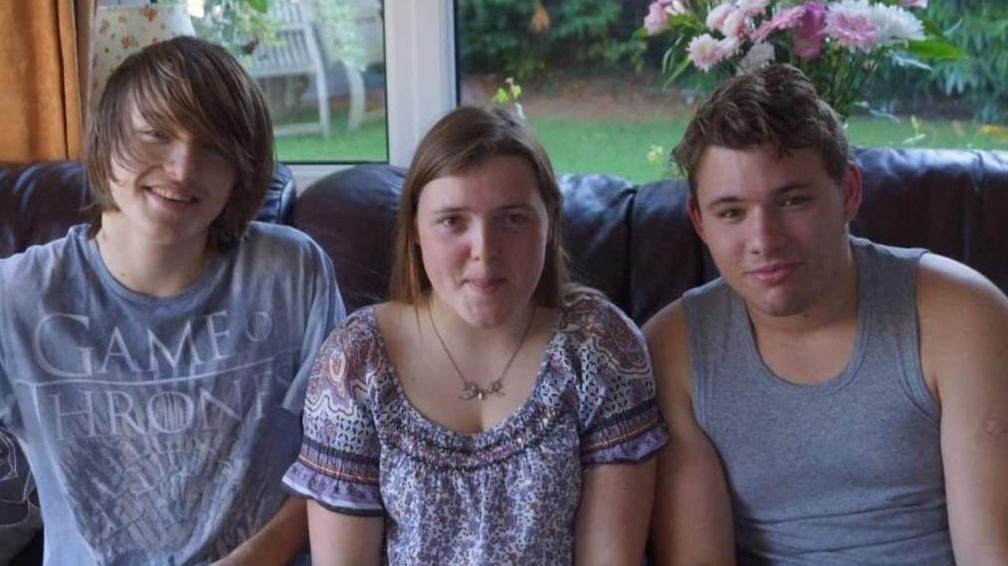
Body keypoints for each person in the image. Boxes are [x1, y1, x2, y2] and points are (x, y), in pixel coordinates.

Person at [645, 63, 1008, 565]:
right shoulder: (673, 351)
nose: (764, 241)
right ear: (700, 222)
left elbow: (991, 553)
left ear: (849, 193)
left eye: (792, 201)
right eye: (731, 212)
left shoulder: (962, 314)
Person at [0, 37, 344, 564]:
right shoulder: (17, 295)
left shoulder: (292, 274)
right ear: (107, 141)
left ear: (240, 172)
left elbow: (340, 456)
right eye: (156, 134)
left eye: (212, 148)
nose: (182, 168)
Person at [282, 105, 668, 564]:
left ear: (551, 223)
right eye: (452, 221)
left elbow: (610, 559)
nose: (484, 251)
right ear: (416, 232)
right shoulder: (356, 360)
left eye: (512, 219)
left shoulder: (601, 346)